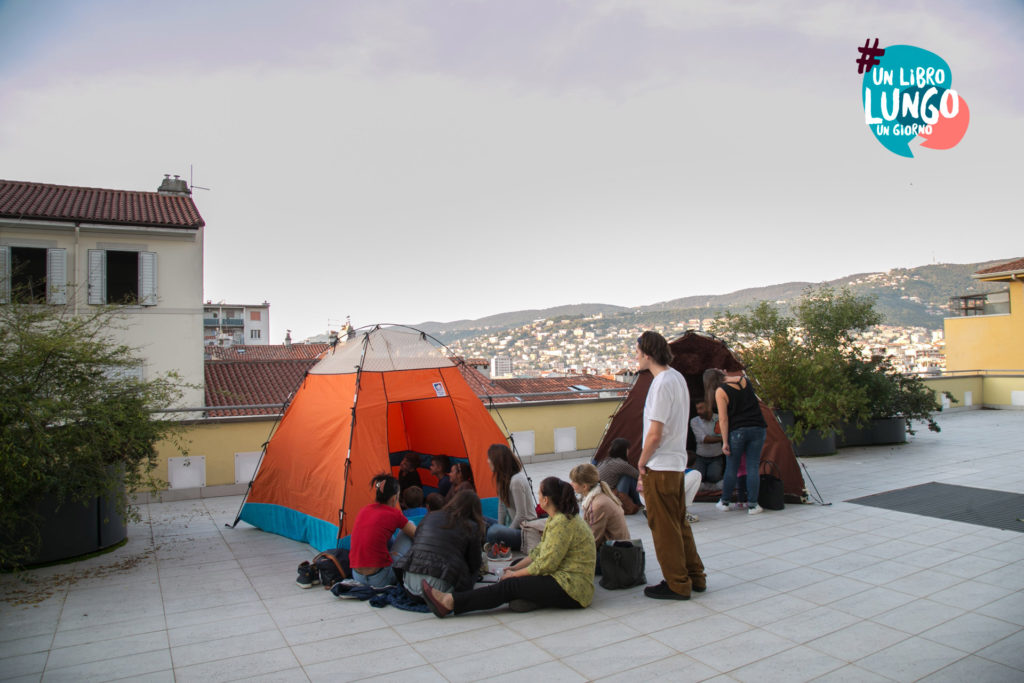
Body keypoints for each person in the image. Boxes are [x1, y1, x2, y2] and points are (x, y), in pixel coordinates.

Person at [420, 477, 595, 617]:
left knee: (509, 585)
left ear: (546, 499)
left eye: (540, 493)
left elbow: (546, 564)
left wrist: (514, 575)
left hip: (572, 589)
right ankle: (525, 597)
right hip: (562, 576)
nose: (538, 496)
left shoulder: (562, 523)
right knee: (515, 567)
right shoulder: (557, 518)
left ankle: (450, 602)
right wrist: (515, 567)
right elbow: (540, 551)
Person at [635, 331, 706, 600]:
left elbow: (655, 433)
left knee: (663, 528)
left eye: (637, 352)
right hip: (676, 463)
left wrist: (641, 462)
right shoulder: (676, 378)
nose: (636, 357)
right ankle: (695, 576)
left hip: (660, 464)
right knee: (679, 523)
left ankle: (677, 583)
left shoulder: (661, 383)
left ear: (648, 354)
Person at [394, 490, 485, 597]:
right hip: (438, 589)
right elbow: (475, 564)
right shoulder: (471, 527)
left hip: (409, 583)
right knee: (472, 570)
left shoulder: (430, 516)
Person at [705, 368, 768, 515]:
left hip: (737, 431)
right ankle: (753, 505)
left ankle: (725, 502)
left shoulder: (720, 391)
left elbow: (723, 419)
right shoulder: (744, 380)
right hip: (758, 427)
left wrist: (725, 442)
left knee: (732, 467)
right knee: (753, 466)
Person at [349, 474, 417, 587]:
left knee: (385, 537)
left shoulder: (364, 510)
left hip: (357, 576)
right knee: (409, 526)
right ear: (394, 498)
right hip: (380, 578)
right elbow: (417, 534)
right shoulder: (395, 514)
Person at [484, 444, 537, 551]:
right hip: (510, 527)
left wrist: (505, 531)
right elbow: (501, 508)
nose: (487, 461)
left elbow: (521, 515)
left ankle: (493, 543)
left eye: (489, 458)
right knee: (479, 519)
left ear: (497, 460)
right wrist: (501, 528)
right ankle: (494, 542)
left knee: (493, 531)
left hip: (523, 532)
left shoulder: (516, 480)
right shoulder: (502, 480)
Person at [569, 464, 629, 552]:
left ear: (585, 486)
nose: (571, 484)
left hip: (615, 554)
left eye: (574, 481)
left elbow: (593, 539)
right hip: (617, 548)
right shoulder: (599, 496)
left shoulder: (598, 505)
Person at [597, 437, 642, 508]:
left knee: (625, 475)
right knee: (628, 477)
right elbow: (639, 475)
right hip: (610, 496)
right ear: (624, 451)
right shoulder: (622, 464)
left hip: (600, 495)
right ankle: (639, 501)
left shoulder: (604, 461)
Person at [689, 400, 725, 485]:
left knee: (713, 477)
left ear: (708, 407)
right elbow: (704, 439)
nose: (699, 412)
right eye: (697, 409)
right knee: (697, 478)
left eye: (701, 408)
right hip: (700, 457)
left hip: (716, 457)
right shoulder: (695, 421)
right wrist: (723, 439)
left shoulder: (719, 418)